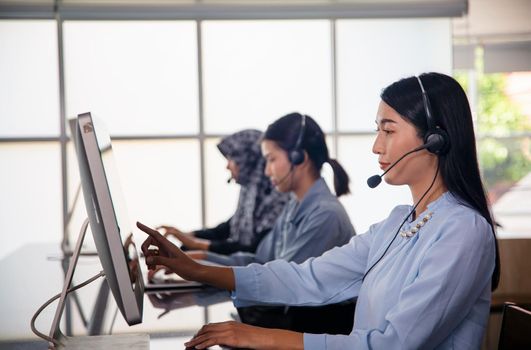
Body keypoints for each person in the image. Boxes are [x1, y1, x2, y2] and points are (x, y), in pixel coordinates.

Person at [137, 73, 500, 349]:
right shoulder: (397, 223)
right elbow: (308, 277)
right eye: (378, 131)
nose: (376, 146)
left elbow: (393, 343)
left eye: (388, 130)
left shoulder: (463, 230)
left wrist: (262, 338)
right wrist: (198, 269)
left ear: (436, 139)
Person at [193, 113, 356, 267]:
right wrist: (203, 259)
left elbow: (282, 280)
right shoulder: (293, 206)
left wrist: (204, 268)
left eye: (271, 159)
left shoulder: (325, 215)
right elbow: (261, 261)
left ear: (299, 158)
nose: (266, 171)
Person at [158, 129, 289, 256]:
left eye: (232, 158)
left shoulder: (277, 196)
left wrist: (196, 245)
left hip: (254, 267)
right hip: (245, 265)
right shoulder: (250, 192)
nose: (227, 166)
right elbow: (227, 229)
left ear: (247, 161)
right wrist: (184, 235)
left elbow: (254, 250)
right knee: (184, 250)